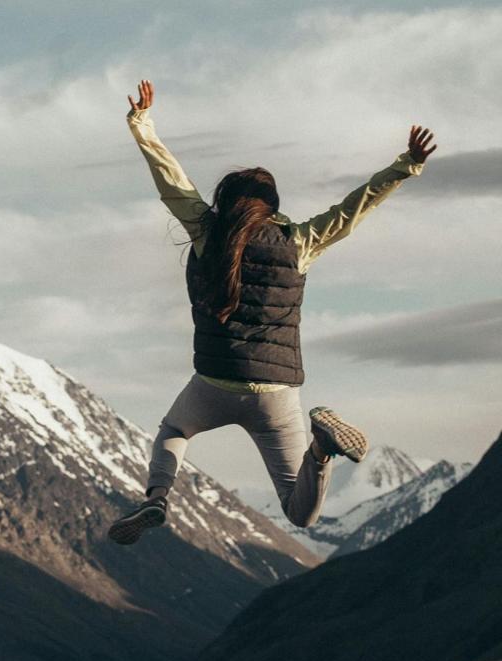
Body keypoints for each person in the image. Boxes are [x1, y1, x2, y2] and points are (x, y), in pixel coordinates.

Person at [109, 79, 436, 545]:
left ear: (225, 201)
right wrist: (406, 165)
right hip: (276, 395)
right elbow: (352, 209)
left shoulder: (207, 232)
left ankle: (157, 498)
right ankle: (321, 450)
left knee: (175, 429)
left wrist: (141, 124)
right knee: (300, 514)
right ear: (273, 206)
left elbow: (171, 182)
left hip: (214, 382)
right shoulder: (298, 241)